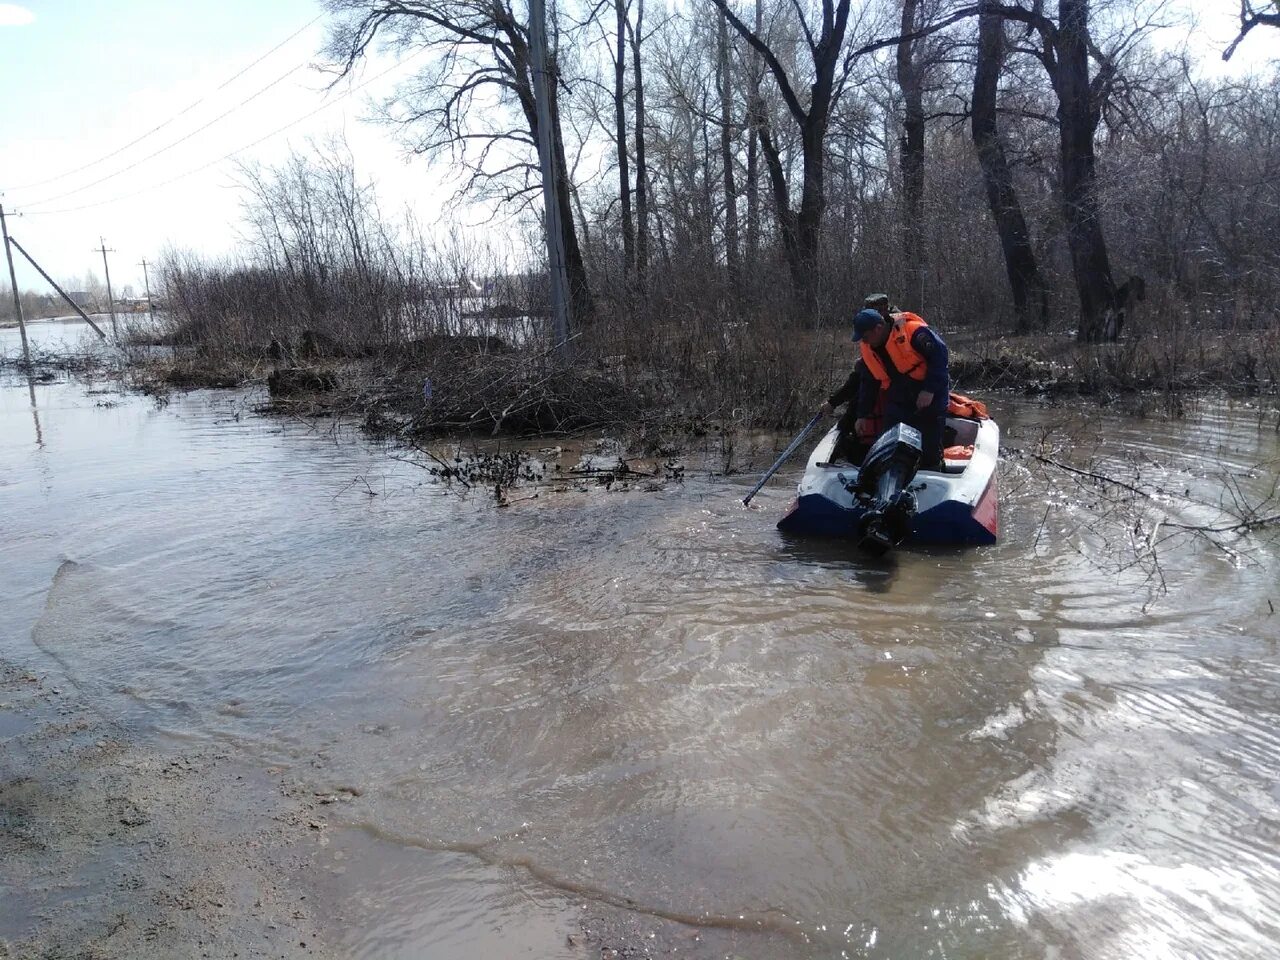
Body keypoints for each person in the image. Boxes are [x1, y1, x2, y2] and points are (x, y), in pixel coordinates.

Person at [849, 294, 950, 469]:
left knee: (929, 450)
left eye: (865, 337)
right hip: (899, 396)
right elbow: (869, 382)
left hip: (929, 391)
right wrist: (862, 415)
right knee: (888, 445)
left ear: (878, 328)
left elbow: (940, 357)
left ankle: (934, 468)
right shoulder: (868, 347)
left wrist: (929, 390)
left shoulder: (913, 331)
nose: (864, 341)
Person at [818, 357, 880, 465]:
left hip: (870, 426)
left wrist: (832, 403)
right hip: (868, 424)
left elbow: (851, 386)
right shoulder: (867, 363)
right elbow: (851, 387)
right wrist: (832, 403)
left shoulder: (869, 364)